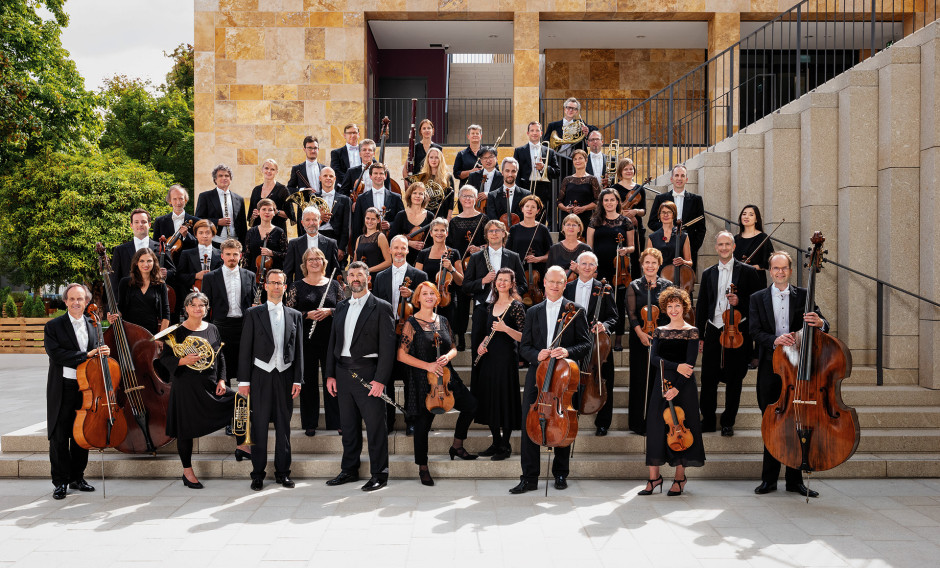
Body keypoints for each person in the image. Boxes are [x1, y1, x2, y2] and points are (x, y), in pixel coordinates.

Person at [750, 251, 828, 498]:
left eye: (784, 268)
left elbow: (824, 323)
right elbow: (754, 331)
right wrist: (775, 340)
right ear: (770, 271)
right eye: (775, 268)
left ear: (791, 271)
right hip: (771, 369)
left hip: (798, 370)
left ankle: (794, 481)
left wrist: (821, 322)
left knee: (798, 423)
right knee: (772, 422)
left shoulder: (804, 296)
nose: (780, 272)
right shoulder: (757, 298)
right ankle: (769, 480)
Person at [510, 266, 592, 494]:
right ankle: (529, 477)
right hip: (538, 375)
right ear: (544, 283)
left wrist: (566, 351)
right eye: (551, 281)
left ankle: (560, 474)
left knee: (561, 422)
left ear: (565, 284)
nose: (555, 286)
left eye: (560, 282)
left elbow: (586, 344)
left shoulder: (576, 311)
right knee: (529, 425)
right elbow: (524, 346)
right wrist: (536, 355)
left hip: (562, 377)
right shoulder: (533, 311)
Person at [161, 291, 245, 489]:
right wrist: (182, 360)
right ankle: (187, 472)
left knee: (241, 402)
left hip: (209, 384)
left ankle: (242, 444)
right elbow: (164, 359)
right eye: (194, 305)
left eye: (202, 305)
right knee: (185, 431)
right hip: (186, 386)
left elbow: (220, 355)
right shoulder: (176, 332)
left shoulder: (213, 328)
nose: (198, 309)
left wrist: (223, 380)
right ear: (187, 308)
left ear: (207, 309)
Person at [397, 281, 479, 486]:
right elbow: (401, 355)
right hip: (424, 381)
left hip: (447, 377)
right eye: (424, 294)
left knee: (471, 406)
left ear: (437, 297)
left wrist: (447, 357)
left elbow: (452, 347)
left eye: (432, 293)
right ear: (418, 298)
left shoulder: (442, 320)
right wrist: (428, 366)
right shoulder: (411, 323)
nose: (429, 297)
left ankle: (457, 445)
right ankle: (423, 467)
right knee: (423, 425)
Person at [325, 261, 397, 492]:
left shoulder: (382, 307)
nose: (355, 278)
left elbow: (388, 348)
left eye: (359, 274)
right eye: (351, 274)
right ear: (346, 279)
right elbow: (333, 344)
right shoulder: (341, 307)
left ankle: (379, 474)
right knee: (348, 425)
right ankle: (349, 470)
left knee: (375, 426)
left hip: (369, 373)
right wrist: (330, 375)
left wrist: (381, 380)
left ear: (368, 278)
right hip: (342, 372)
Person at [238, 269, 304, 491]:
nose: (276, 286)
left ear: (286, 287)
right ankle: (257, 474)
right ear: (265, 286)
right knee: (258, 427)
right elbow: (245, 349)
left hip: (285, 375)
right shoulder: (253, 313)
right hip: (260, 376)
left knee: (284, 427)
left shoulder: (295, 315)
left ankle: (283, 473)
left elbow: (299, 350)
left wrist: (298, 379)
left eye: (280, 283)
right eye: (272, 283)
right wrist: (243, 382)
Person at [639, 286, 705, 497]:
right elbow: (653, 359)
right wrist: (675, 366)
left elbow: (690, 364)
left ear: (684, 307)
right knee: (657, 427)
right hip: (661, 384)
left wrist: (677, 387)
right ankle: (654, 478)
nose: (674, 309)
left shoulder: (692, 331)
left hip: (683, 386)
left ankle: (679, 477)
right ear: (664, 308)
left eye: (678, 305)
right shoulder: (659, 331)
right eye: (670, 306)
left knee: (683, 428)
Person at [695, 232, 761, 436]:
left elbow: (758, 303)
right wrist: (700, 336)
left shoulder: (748, 272)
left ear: (734, 246)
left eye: (727, 244)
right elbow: (703, 305)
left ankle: (727, 422)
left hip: (737, 332)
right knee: (708, 379)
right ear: (716, 247)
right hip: (714, 329)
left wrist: (739, 302)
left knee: (734, 380)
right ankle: (707, 420)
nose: (723, 248)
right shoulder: (708, 273)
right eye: (720, 244)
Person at [44, 283, 102, 500]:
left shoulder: (93, 324)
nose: (76, 303)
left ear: (86, 301)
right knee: (59, 436)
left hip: (86, 388)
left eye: (80, 299)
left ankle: (78, 477)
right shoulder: (53, 326)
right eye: (72, 299)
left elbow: (97, 354)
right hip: (63, 387)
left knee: (81, 434)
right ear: (65, 301)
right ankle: (60, 482)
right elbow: (56, 354)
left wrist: (101, 353)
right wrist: (86, 356)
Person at [285, 247, 344, 437]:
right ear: (304, 263)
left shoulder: (334, 285)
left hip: (330, 339)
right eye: (310, 259)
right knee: (308, 380)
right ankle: (309, 422)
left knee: (332, 379)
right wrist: (307, 315)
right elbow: (289, 315)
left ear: (324, 262)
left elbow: (344, 310)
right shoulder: (296, 286)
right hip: (306, 340)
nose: (314, 262)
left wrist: (330, 311)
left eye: (318, 258)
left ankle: (336, 420)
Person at [372, 235, 428, 434]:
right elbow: (376, 307)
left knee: (410, 378)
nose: (398, 251)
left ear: (407, 251)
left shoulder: (419, 276)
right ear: (390, 251)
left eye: (402, 248)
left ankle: (411, 420)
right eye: (395, 248)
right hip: (387, 334)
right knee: (385, 378)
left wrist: (412, 294)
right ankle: (388, 419)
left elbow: (427, 304)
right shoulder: (380, 277)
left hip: (410, 334)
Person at [471, 268, 525, 460]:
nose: (501, 283)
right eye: (499, 280)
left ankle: (505, 445)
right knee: (491, 399)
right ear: (495, 283)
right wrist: (481, 345)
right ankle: (495, 442)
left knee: (505, 400)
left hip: (506, 360)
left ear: (512, 283)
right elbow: (488, 332)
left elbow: (524, 337)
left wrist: (505, 328)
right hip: (489, 358)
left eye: (505, 280)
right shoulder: (490, 305)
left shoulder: (517, 306)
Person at [564, 252, 617, 436]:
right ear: (577, 266)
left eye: (591, 264)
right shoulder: (567, 288)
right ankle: (571, 416)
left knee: (604, 379)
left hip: (597, 344)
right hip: (573, 343)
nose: (587, 267)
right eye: (583, 263)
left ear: (596, 268)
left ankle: (603, 422)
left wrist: (604, 325)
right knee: (571, 379)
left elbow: (614, 317)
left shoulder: (605, 288)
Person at [462, 219, 527, 355]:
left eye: (498, 230)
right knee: (478, 348)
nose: (494, 233)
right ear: (486, 235)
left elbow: (523, 284)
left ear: (504, 234)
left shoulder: (514, 257)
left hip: (505, 309)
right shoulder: (476, 257)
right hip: (482, 308)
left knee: (503, 349)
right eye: (490, 231)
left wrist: (509, 297)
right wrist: (483, 281)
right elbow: (466, 286)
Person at [626, 248, 672, 435]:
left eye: (654, 262)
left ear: (659, 264)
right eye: (647, 262)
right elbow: (631, 314)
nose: (650, 266)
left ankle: (657, 421)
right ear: (642, 264)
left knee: (658, 380)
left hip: (661, 338)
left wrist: (660, 333)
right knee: (639, 378)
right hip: (640, 337)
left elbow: (671, 312)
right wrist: (640, 333)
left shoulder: (667, 285)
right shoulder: (634, 286)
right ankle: (638, 423)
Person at [201, 238, 257, 386]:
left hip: (244, 327)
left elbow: (254, 303)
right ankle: (224, 404)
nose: (232, 257)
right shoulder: (210, 277)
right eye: (228, 254)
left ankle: (245, 403)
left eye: (235, 254)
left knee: (244, 368)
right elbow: (205, 307)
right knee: (221, 370)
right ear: (222, 255)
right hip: (220, 327)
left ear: (240, 255)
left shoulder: (250, 276)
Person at [587, 189, 635, 350]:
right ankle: (601, 334)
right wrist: (591, 268)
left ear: (617, 202)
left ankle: (619, 338)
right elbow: (589, 248)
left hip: (619, 269)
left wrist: (625, 251)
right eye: (605, 200)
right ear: (601, 203)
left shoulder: (626, 222)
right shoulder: (594, 221)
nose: (609, 203)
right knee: (599, 302)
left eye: (612, 200)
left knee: (619, 304)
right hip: (599, 269)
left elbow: (632, 247)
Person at [447, 185, 488, 350]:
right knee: (461, 303)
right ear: (460, 199)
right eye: (464, 196)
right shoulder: (454, 222)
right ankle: (460, 335)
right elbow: (449, 246)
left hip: (480, 266)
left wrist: (480, 248)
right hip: (460, 266)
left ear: (476, 199)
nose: (468, 199)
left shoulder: (484, 219)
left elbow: (493, 241)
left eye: (471, 196)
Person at [648, 164, 706, 269]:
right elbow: (652, 222)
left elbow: (701, 227)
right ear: (671, 179)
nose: (679, 178)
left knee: (686, 282)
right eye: (677, 175)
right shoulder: (661, 198)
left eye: (682, 176)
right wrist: (668, 231)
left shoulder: (696, 200)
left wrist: (693, 248)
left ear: (686, 179)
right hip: (665, 247)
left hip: (688, 248)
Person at [109, 208, 173, 298]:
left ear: (149, 224)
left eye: (143, 222)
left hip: (154, 298)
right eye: (136, 222)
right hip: (129, 300)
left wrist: (167, 273)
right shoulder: (120, 250)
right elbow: (114, 279)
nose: (140, 225)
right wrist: (117, 303)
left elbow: (173, 271)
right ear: (131, 225)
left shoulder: (162, 247)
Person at [415, 218, 463, 328]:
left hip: (447, 300)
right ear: (431, 233)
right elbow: (417, 279)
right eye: (436, 230)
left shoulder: (454, 253)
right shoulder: (423, 254)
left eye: (442, 230)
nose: (439, 233)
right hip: (427, 300)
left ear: (447, 233)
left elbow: (461, 282)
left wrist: (452, 269)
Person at [110, 248, 170, 335]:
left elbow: (166, 314)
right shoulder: (125, 282)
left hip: (151, 334)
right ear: (136, 263)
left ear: (154, 262)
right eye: (142, 261)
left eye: (149, 261)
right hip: (129, 332)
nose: (146, 264)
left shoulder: (160, 284)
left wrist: (160, 338)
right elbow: (120, 309)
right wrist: (113, 315)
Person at [506, 196, 552, 306]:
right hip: (518, 272)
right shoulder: (514, 229)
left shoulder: (542, 229)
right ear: (522, 209)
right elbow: (508, 252)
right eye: (527, 206)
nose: (529, 209)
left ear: (538, 211)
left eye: (533, 207)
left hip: (538, 274)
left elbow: (550, 253)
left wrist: (538, 259)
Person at [513, 121, 559, 221]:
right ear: (527, 133)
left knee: (540, 218)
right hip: (525, 186)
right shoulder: (519, 151)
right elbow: (516, 172)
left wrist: (544, 168)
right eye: (532, 130)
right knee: (524, 216)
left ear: (541, 133)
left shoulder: (549, 151)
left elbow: (557, 172)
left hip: (543, 188)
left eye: (537, 130)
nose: (534, 133)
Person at [350, 162, 404, 246]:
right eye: (375, 173)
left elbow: (401, 220)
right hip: (367, 243)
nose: (378, 176)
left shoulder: (396, 197)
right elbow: (357, 224)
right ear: (370, 176)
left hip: (389, 241)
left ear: (385, 176)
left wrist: (390, 224)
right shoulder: (361, 198)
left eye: (381, 173)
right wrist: (355, 249)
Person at [611, 158, 648, 280]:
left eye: (631, 168)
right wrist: (622, 213)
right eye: (625, 169)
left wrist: (635, 211)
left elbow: (644, 211)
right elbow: (611, 207)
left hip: (637, 226)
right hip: (619, 226)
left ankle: (636, 284)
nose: (629, 171)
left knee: (637, 258)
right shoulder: (614, 188)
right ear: (620, 171)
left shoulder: (640, 188)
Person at [283, 206, 340, 284]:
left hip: (325, 290)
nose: (311, 223)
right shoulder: (294, 244)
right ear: (302, 223)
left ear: (320, 222)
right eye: (307, 220)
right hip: (301, 290)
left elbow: (335, 270)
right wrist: (291, 292)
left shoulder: (331, 243)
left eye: (314, 220)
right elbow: (288, 272)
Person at [195, 164, 247, 245]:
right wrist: (217, 222)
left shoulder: (239, 199)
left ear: (230, 179)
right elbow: (198, 219)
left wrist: (243, 245)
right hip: (215, 241)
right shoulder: (205, 196)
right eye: (220, 176)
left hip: (235, 243)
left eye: (227, 176)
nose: (224, 178)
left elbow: (243, 225)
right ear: (215, 179)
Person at [389, 182, 433, 266]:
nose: (417, 196)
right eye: (415, 193)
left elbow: (432, 241)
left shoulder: (430, 216)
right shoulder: (401, 215)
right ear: (410, 195)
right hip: (404, 258)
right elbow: (392, 237)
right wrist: (408, 243)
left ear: (424, 197)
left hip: (424, 259)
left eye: (421, 194)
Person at [152, 184, 198, 264]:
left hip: (189, 264)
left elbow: (198, 245)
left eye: (181, 198)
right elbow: (155, 245)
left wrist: (186, 236)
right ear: (170, 201)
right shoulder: (159, 221)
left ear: (186, 200)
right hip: (167, 263)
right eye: (174, 199)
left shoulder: (196, 221)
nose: (178, 202)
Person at [558, 149, 601, 231]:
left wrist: (584, 208)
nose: (577, 161)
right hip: (568, 218)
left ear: (586, 160)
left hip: (586, 218)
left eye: (580, 158)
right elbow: (559, 202)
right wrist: (565, 208)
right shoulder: (567, 180)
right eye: (575, 159)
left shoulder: (592, 179)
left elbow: (598, 201)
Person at [176, 219, 222, 295]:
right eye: (200, 233)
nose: (204, 236)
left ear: (213, 235)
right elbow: (179, 276)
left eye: (208, 233)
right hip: (192, 295)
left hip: (216, 295)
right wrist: (196, 276)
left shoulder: (221, 254)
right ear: (196, 235)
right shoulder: (186, 254)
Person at [407, 147, 454, 219]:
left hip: (442, 214)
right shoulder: (421, 177)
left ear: (440, 160)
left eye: (436, 157)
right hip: (425, 215)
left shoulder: (447, 177)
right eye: (431, 157)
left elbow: (451, 201)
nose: (434, 160)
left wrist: (448, 218)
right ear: (428, 159)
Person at [646, 201, 692, 274]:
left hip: (677, 276)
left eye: (669, 212)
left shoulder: (683, 236)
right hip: (658, 278)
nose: (666, 215)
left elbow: (690, 262)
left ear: (674, 215)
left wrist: (683, 262)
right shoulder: (652, 237)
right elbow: (648, 262)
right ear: (659, 215)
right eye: (663, 212)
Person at [316, 166, 351, 257]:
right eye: (325, 176)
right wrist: (318, 217)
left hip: (336, 238)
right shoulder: (311, 198)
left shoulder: (345, 200)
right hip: (316, 236)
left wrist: (342, 248)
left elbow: (346, 226)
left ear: (335, 178)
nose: (328, 178)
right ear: (320, 178)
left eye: (331, 176)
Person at [249, 158, 292, 232]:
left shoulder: (283, 190)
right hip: (258, 230)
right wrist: (254, 215)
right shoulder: (256, 190)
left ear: (276, 172)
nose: (269, 171)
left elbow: (289, 214)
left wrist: (276, 212)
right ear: (262, 170)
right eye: (266, 168)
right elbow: (250, 216)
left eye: (272, 169)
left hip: (277, 230)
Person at [485, 157, 530, 227]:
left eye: (513, 171)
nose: (510, 174)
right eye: (507, 171)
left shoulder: (526, 195)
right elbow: (492, 220)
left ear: (517, 173)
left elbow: (527, 218)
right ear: (502, 172)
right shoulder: (492, 196)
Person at [735, 204, 771, 286]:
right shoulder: (735, 239)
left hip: (757, 280)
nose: (746, 217)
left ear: (756, 219)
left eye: (751, 214)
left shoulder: (763, 237)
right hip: (739, 280)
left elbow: (769, 262)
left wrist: (751, 268)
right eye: (744, 214)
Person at [546, 214, 592, 278]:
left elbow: (594, 275)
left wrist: (578, 271)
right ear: (563, 227)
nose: (571, 227)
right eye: (568, 224)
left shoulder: (586, 249)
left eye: (574, 225)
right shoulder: (554, 249)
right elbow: (548, 273)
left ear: (579, 228)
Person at [354, 206, 392, 276]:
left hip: (376, 277)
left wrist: (368, 270)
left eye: (373, 219)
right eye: (367, 218)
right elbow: (355, 261)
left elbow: (388, 262)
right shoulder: (359, 238)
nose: (369, 221)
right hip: (361, 277)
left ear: (378, 220)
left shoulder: (380, 237)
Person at [330, 123, 361, 187]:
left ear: (358, 134)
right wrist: (351, 183)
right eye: (349, 133)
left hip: (363, 187)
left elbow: (373, 165)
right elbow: (336, 171)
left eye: (354, 132)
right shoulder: (336, 153)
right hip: (345, 188)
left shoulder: (365, 151)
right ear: (344, 135)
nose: (352, 135)